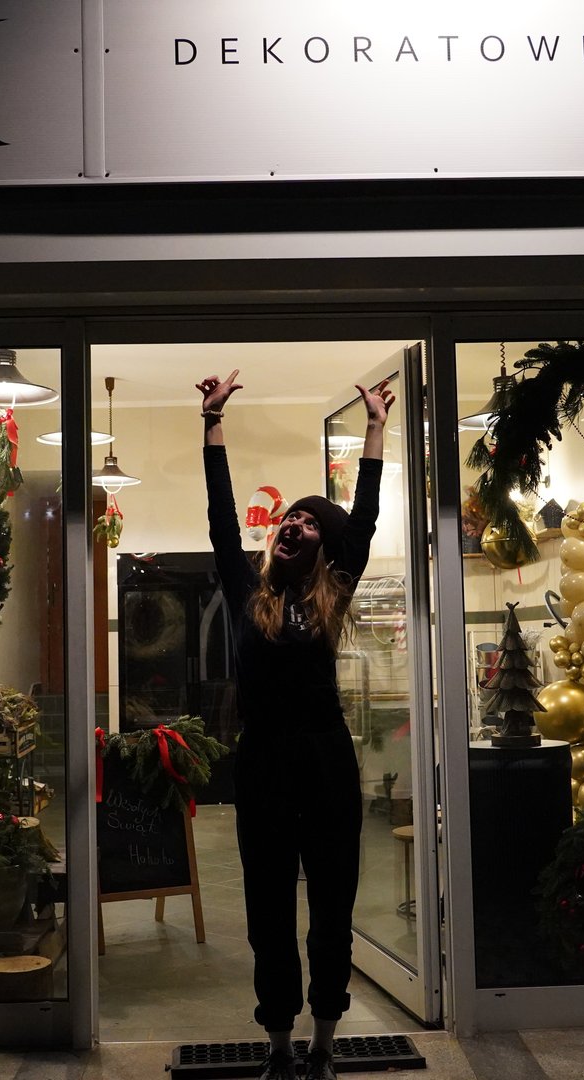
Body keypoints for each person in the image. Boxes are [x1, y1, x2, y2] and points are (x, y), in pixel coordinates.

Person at [196, 369, 393, 1080]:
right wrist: (211, 424)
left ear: (322, 549)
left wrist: (375, 430)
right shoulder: (249, 593)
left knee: (332, 906)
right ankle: (279, 1045)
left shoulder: (333, 596)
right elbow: (223, 518)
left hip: (327, 762)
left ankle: (326, 1044)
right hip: (264, 764)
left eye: (310, 523)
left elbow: (363, 520)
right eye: (291, 518)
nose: (295, 524)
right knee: (269, 911)